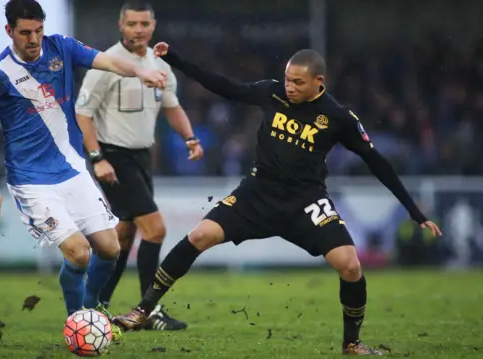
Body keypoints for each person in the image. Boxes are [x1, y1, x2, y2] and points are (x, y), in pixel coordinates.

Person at [112, 42, 442, 355]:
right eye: (287, 79)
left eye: (298, 82)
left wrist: (414, 211)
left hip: (306, 201)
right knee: (200, 235)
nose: (290, 87)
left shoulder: (339, 117)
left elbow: (378, 162)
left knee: (350, 265)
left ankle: (352, 344)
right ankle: (143, 310)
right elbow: (225, 86)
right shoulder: (271, 92)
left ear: (318, 82)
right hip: (258, 192)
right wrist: (176, 59)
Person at [0, 0, 167, 340]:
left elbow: (109, 61)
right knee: (77, 251)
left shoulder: (62, 47)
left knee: (111, 249)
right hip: (32, 181)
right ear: (9, 31)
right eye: (25, 32)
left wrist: (142, 71)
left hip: (72, 169)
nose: (33, 39)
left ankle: (91, 314)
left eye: (38, 31)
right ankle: (79, 325)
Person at [75, 1, 201, 331]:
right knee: (156, 229)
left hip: (142, 158)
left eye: (144, 23)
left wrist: (189, 137)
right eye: (132, 24)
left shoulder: (159, 64)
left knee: (123, 236)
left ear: (153, 26)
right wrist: (97, 158)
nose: (138, 30)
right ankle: (149, 311)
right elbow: (83, 113)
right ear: (121, 26)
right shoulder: (107, 63)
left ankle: (95, 305)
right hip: (114, 157)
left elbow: (172, 106)